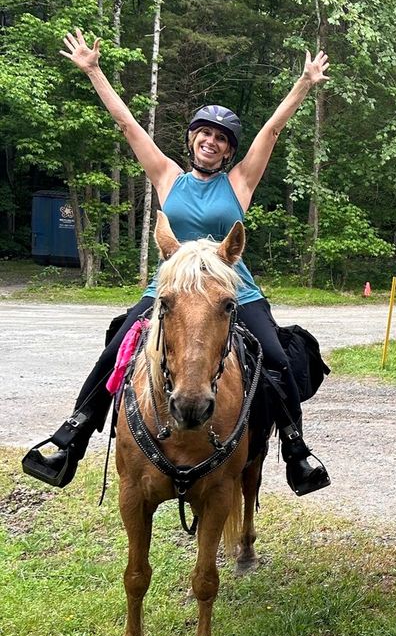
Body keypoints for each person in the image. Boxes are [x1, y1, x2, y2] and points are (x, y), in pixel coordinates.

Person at [22, 29, 331, 495]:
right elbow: (129, 126)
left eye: (221, 138)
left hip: (233, 289)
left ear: (229, 150)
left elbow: (272, 130)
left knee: (275, 359)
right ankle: (73, 436)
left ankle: (294, 447)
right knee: (115, 352)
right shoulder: (168, 176)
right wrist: (94, 71)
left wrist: (304, 84)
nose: (211, 141)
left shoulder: (240, 182)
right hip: (167, 290)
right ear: (192, 140)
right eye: (204, 133)